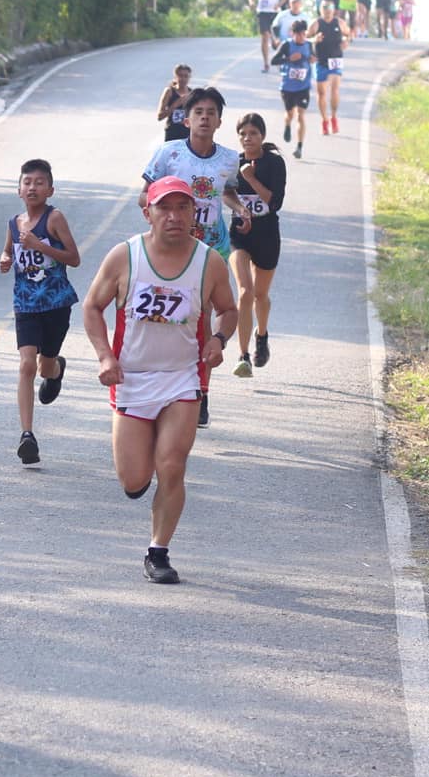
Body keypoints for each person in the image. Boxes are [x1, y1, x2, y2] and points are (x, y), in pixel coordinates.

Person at [82, 175, 238, 585]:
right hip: (132, 377)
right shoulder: (125, 257)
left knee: (172, 465)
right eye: (164, 207)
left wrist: (219, 340)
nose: (174, 216)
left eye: (183, 207)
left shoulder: (210, 262)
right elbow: (92, 307)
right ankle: (142, 459)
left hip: (182, 378)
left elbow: (228, 309)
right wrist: (104, 356)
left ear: (194, 213)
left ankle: (158, 551)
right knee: (134, 480)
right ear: (147, 212)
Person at [140, 85, 247, 426]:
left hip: (211, 248)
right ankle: (161, 383)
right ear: (186, 119)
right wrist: (162, 215)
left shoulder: (230, 158)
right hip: (169, 247)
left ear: (219, 121)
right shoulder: (168, 154)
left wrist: (240, 208)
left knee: (203, 319)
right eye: (198, 112)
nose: (204, 118)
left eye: (211, 113)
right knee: (169, 317)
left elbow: (226, 192)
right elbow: (144, 195)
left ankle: (200, 391)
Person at [0, 159, 82, 467]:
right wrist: (5, 258)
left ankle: (57, 368)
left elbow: (74, 258)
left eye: (39, 182)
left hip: (56, 304)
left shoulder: (54, 218)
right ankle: (27, 435)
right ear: (19, 189)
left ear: (50, 189)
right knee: (25, 367)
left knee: (45, 368)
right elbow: (9, 249)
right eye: (27, 182)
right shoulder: (13, 223)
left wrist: (40, 245)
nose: (32, 187)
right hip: (26, 305)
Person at [227, 114, 286, 378]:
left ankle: (261, 335)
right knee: (244, 292)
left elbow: (274, 203)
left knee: (260, 295)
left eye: (252, 133)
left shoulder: (274, 163)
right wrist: (241, 208)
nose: (247, 138)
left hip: (267, 233)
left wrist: (250, 178)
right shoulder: (233, 162)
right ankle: (243, 355)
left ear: (262, 136)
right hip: (240, 233)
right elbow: (226, 193)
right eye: (242, 133)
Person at [271, 18, 315, 159]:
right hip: (288, 88)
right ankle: (287, 125)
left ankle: (299, 147)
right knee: (290, 114)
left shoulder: (309, 45)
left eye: (303, 34)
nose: (300, 37)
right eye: (297, 34)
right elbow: (274, 61)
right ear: (292, 34)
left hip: (304, 87)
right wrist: (289, 59)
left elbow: (315, 57)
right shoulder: (286, 45)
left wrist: (314, 59)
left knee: (301, 115)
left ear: (306, 33)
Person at [312, 0, 349, 136]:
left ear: (333, 10)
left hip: (335, 60)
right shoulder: (316, 24)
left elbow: (348, 34)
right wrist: (314, 40)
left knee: (334, 90)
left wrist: (346, 41)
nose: (327, 12)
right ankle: (325, 120)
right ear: (321, 10)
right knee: (321, 93)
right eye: (324, 9)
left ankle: (333, 117)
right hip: (321, 61)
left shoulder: (339, 23)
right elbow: (306, 38)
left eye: (329, 9)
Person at [247, 0, 288, 70]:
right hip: (262, 11)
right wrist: (251, 2)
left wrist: (278, 4)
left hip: (274, 12)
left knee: (277, 37)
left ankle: (279, 60)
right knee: (265, 36)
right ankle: (266, 63)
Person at [154, 63, 193, 142]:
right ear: (175, 77)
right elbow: (159, 116)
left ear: (189, 78)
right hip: (172, 133)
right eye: (180, 76)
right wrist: (175, 105)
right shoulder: (169, 92)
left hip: (187, 133)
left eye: (186, 76)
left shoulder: (192, 93)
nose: (183, 79)